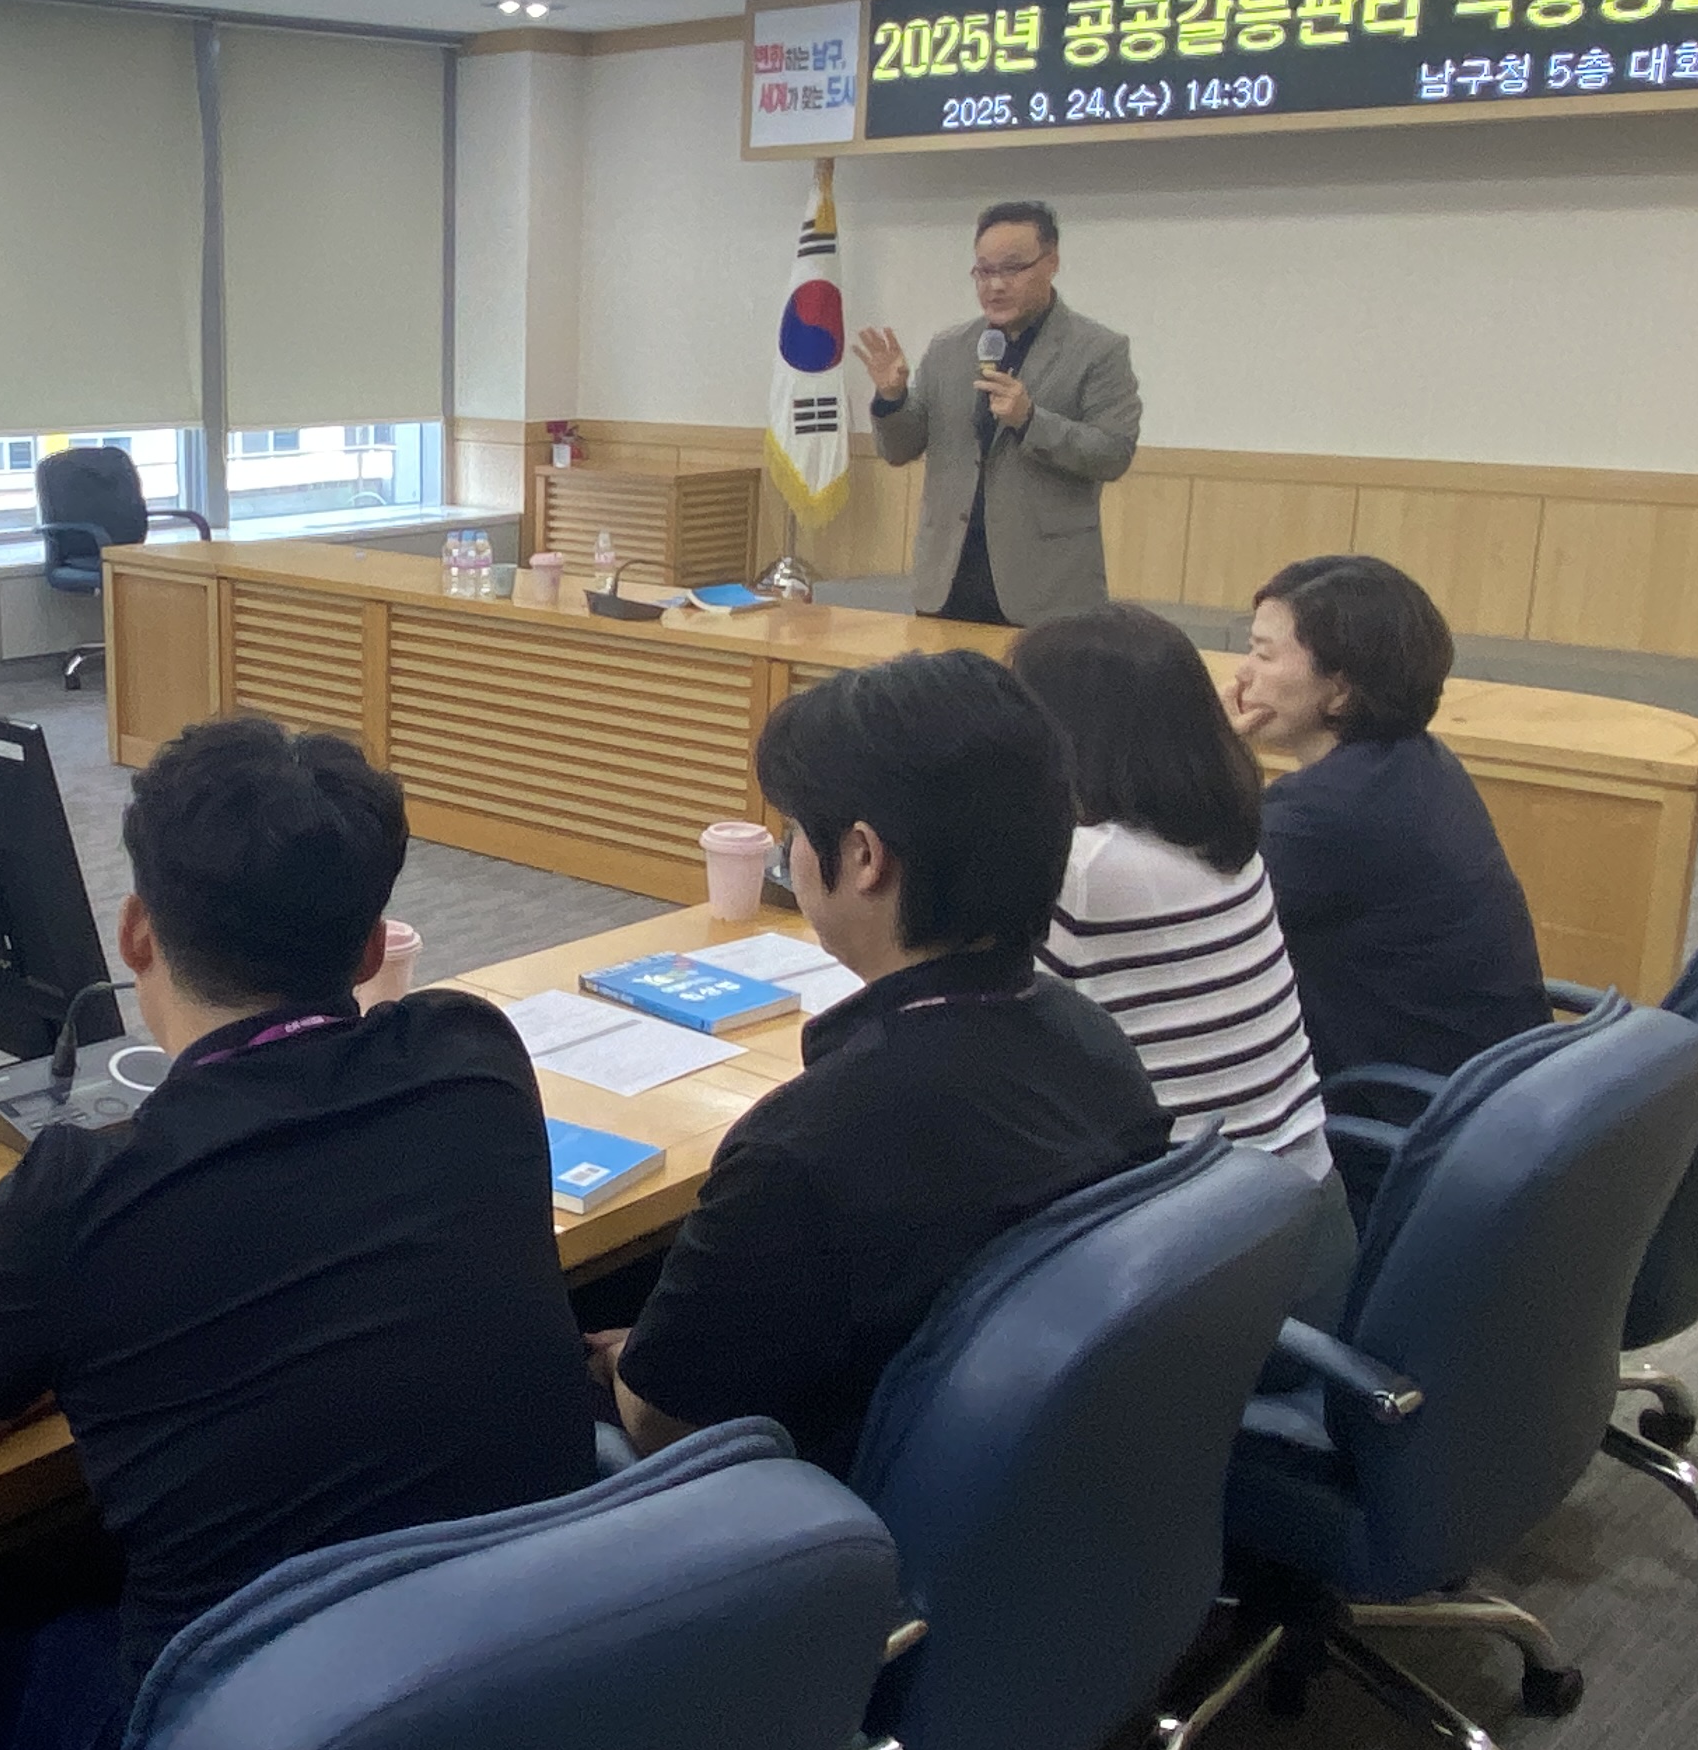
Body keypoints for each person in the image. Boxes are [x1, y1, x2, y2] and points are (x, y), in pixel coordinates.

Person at [0, 716, 593, 1750]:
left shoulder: (88, 1191)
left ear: (136, 930)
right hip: (519, 1688)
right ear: (365, 950)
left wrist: (41, 1353)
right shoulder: (475, 1059)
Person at [607, 650, 1170, 1472]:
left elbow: (667, 1424)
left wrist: (625, 1363)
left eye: (798, 830)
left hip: (834, 1527)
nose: (791, 854)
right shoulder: (1093, 1043)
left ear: (865, 858)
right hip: (1030, 1489)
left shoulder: (805, 1147)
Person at [1014, 602, 1352, 1324]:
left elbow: (970, 1013)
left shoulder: (1085, 869)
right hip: (1302, 1229)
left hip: (1199, 1278)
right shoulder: (1224, 832)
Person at [1235, 553, 1548, 1083]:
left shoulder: (1326, 811)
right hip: (1485, 1095)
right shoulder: (1418, 760)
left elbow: (1183, 915)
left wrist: (1200, 752)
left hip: (1401, 1116)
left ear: (1339, 688)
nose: (1242, 673)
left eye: (1264, 656)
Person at [852, 201, 1141, 627]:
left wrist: (1030, 420)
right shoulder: (949, 348)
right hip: (948, 579)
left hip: (1047, 590)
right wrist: (892, 398)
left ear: (1051, 263)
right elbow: (900, 450)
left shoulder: (1098, 350)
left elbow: (1113, 452)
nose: (995, 285)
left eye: (1012, 269)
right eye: (983, 271)